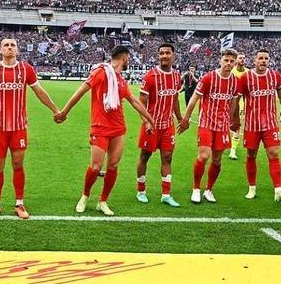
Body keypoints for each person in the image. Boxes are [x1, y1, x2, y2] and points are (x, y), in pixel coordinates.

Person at [0, 38, 61, 219]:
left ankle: (19, 204)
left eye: (12, 45)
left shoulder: (26, 69)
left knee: (17, 164)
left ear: (18, 50)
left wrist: (56, 110)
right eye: (6, 45)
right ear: (0, 50)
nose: (9, 48)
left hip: (18, 126)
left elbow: (39, 92)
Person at [57, 45, 155, 216]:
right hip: (100, 128)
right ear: (124, 57)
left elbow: (134, 101)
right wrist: (64, 111)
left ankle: (103, 201)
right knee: (95, 166)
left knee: (113, 165)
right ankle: (85, 196)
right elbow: (81, 91)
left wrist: (149, 118)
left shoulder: (121, 80)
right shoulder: (100, 73)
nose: (129, 61)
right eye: (128, 58)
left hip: (118, 129)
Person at [179, 49, 240, 204]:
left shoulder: (234, 81)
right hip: (206, 123)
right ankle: (196, 189)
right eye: (226, 60)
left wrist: (232, 120)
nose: (229, 64)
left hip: (222, 126)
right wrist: (186, 119)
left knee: (218, 161)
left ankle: (209, 190)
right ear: (220, 60)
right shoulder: (208, 78)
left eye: (232, 61)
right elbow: (194, 98)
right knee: (204, 156)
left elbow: (233, 103)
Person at [235, 49, 281, 202]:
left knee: (273, 153)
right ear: (254, 60)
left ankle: (278, 190)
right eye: (260, 58)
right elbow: (236, 98)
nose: (263, 61)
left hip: (270, 124)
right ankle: (252, 187)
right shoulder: (246, 77)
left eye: (266, 58)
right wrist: (234, 119)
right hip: (252, 124)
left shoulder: (275, 76)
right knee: (251, 155)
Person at [135, 43, 182, 207]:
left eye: (167, 53)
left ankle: (166, 195)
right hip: (152, 125)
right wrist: (146, 121)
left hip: (168, 125)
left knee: (167, 158)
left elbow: (175, 99)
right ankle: (141, 191)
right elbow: (141, 103)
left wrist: (181, 118)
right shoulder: (150, 76)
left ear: (173, 55)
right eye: (161, 53)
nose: (164, 56)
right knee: (145, 156)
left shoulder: (177, 76)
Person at [229, 53, 247, 160]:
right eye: (240, 58)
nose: (242, 59)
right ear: (236, 60)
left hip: (241, 104)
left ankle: (233, 150)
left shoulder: (248, 73)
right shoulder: (231, 72)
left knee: (238, 125)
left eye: (244, 58)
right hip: (228, 102)